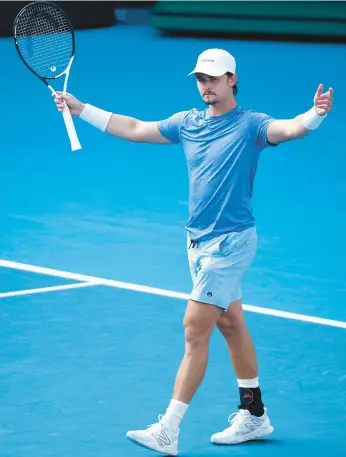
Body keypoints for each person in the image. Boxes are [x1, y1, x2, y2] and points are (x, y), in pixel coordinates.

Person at [54, 48, 334, 456]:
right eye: (201, 78)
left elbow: (290, 129)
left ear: (232, 80)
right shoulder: (188, 122)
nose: (206, 85)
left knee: (193, 329)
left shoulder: (251, 125)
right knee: (231, 324)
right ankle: (254, 415)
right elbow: (134, 127)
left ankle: (169, 428)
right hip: (197, 244)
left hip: (231, 244)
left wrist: (315, 114)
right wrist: (82, 110)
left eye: (214, 78)